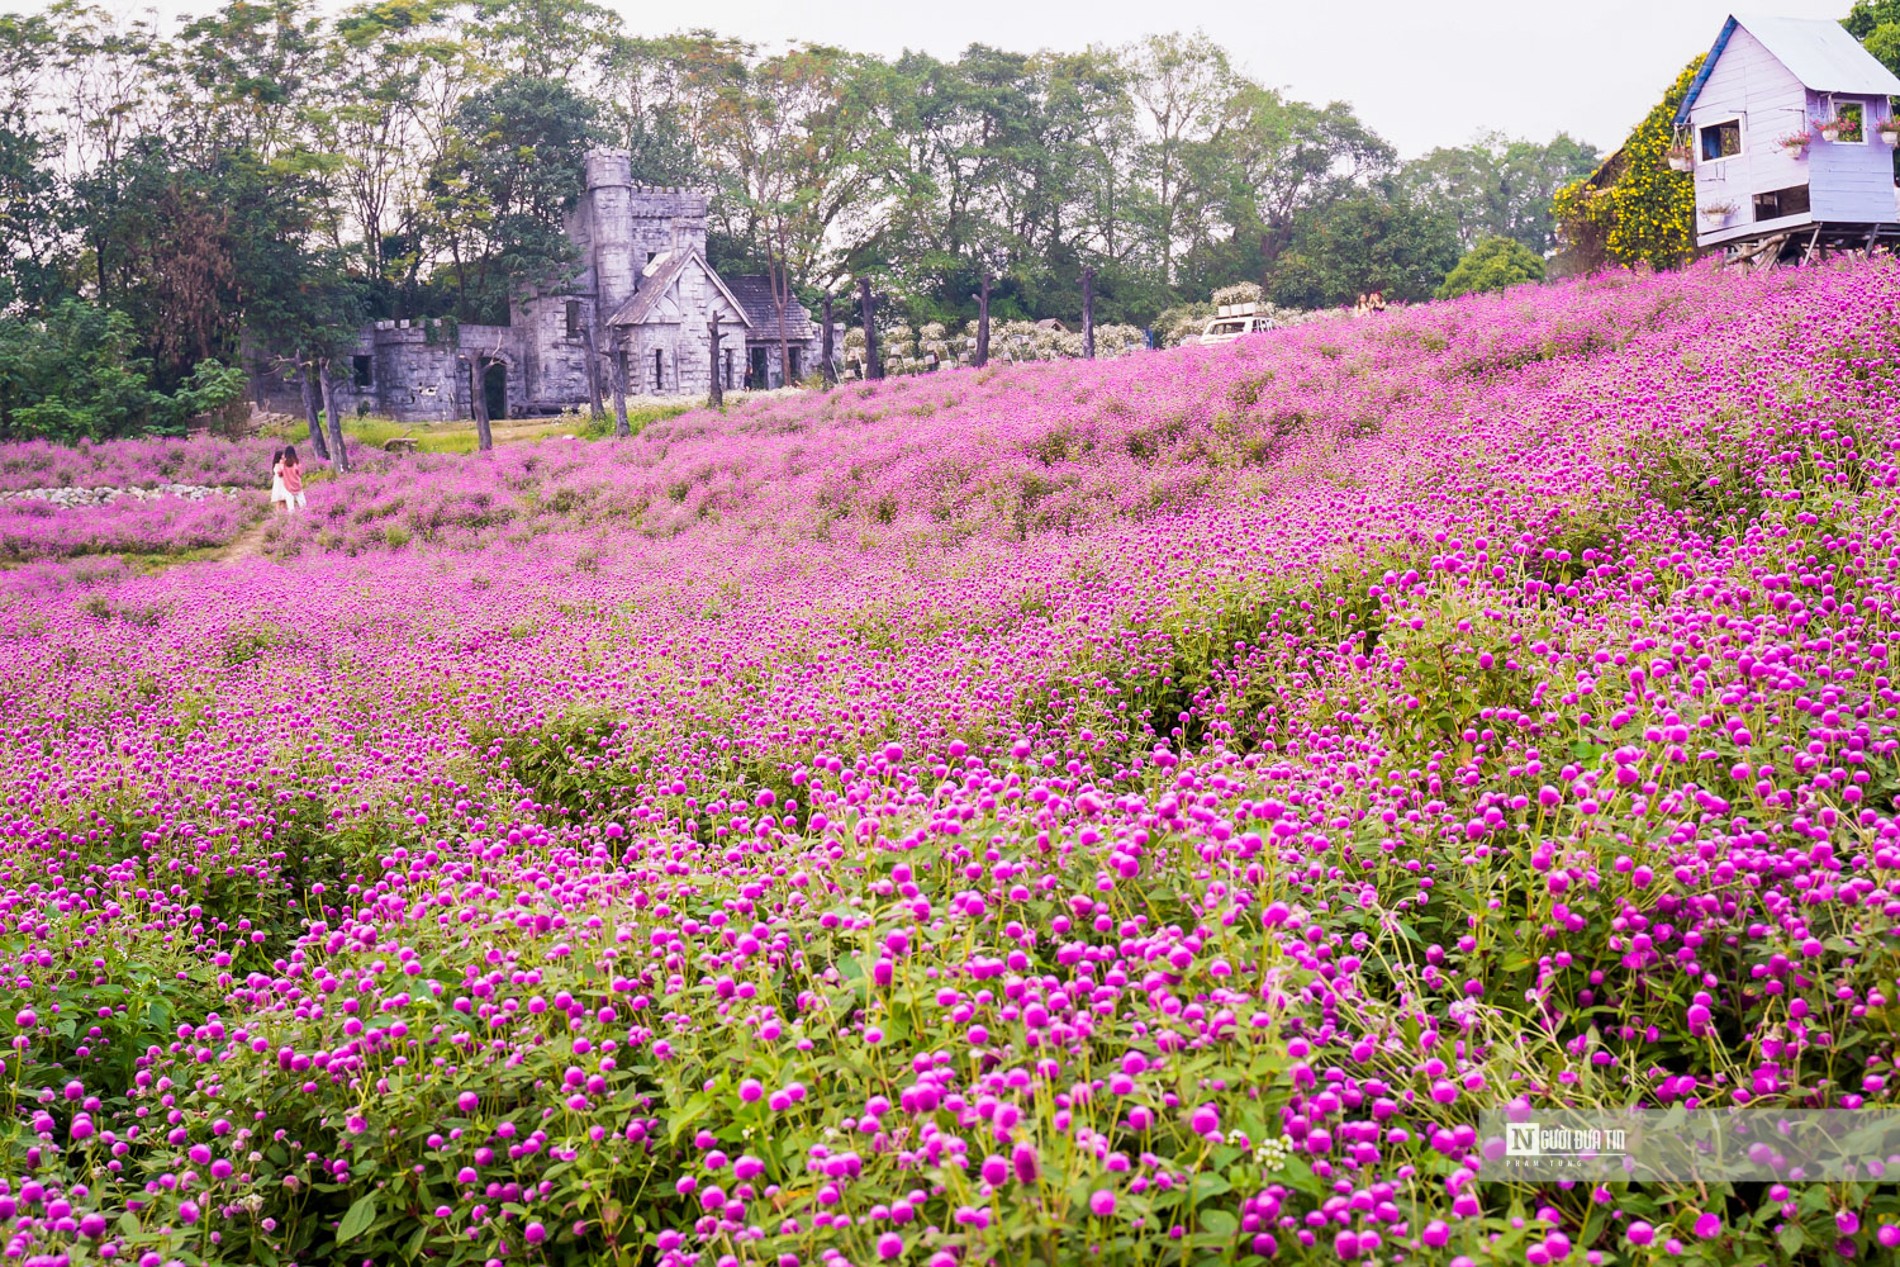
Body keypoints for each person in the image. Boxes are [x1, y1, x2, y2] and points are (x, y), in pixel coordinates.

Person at [278, 445, 306, 514]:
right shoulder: (296, 462)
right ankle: (306, 517)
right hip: (297, 485)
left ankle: (292, 520)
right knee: (303, 504)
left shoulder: (283, 463)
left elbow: (279, 473)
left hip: (287, 486)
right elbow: (300, 473)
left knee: (290, 506)